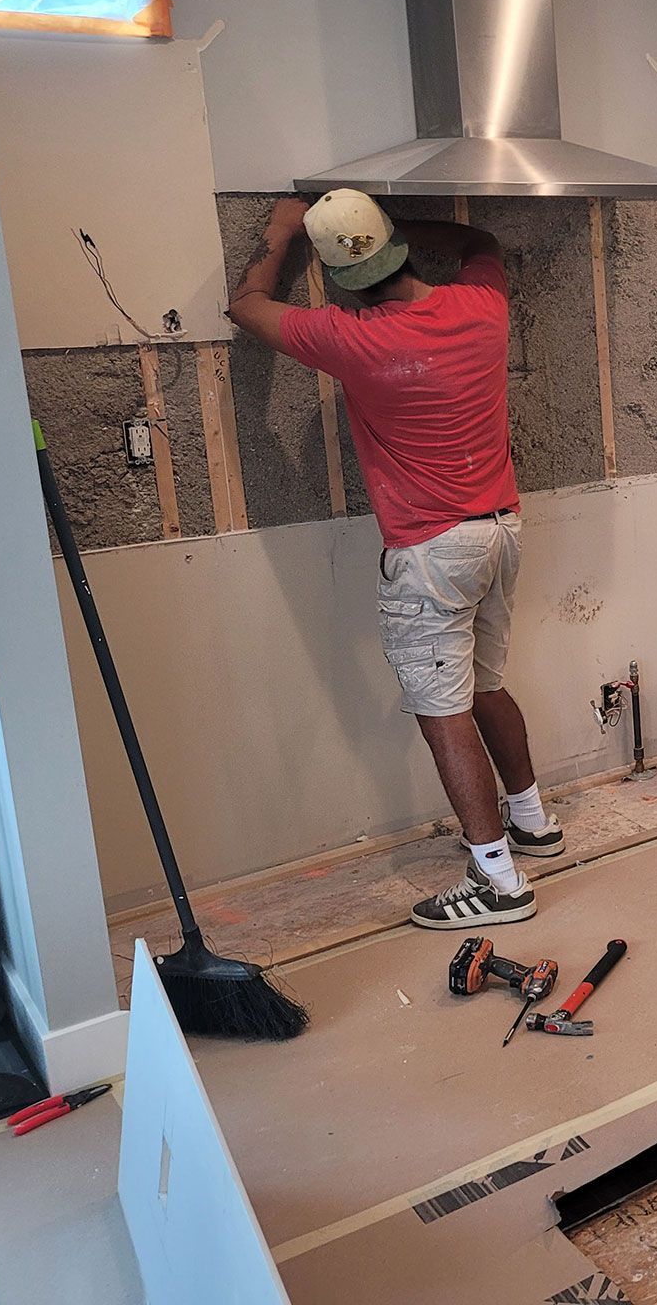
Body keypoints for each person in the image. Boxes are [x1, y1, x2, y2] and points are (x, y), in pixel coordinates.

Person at [226, 190, 562, 928]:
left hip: (434, 550)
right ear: (400, 250)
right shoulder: (482, 306)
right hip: (502, 529)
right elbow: (485, 249)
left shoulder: (350, 338)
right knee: (485, 687)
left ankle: (498, 879)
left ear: (341, 279)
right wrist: (407, 227)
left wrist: (283, 227)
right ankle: (533, 821)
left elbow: (246, 305)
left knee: (442, 711)